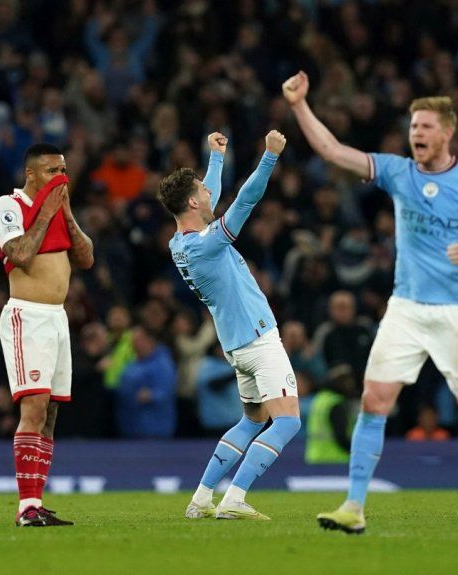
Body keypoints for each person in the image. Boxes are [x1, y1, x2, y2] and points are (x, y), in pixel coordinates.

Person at [282, 71, 458, 535]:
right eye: (413, 128)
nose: (417, 135)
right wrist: (298, 106)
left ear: (447, 132)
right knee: (373, 399)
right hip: (405, 308)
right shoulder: (397, 171)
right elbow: (332, 151)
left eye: (426, 127)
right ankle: (353, 507)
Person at [158, 131, 301, 521]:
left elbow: (212, 199)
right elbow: (246, 200)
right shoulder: (207, 244)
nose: (209, 193)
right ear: (191, 200)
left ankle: (201, 498)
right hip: (258, 339)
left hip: (235, 347)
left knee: (252, 420)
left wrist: (216, 157)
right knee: (287, 421)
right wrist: (269, 156)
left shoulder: (180, 244)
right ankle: (235, 497)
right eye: (203, 190)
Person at [0, 143, 94, 527]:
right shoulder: (8, 206)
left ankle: (36, 502)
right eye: (52, 171)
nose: (60, 177)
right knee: (32, 408)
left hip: (57, 318)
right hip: (26, 315)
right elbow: (19, 254)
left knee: (49, 413)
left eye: (63, 169)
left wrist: (64, 212)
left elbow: (86, 258)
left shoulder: (60, 211)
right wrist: (48, 212)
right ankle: (25, 507)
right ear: (30, 174)